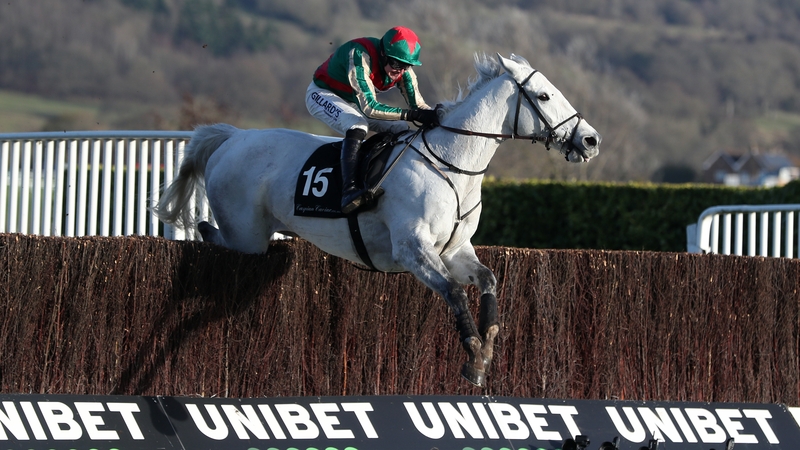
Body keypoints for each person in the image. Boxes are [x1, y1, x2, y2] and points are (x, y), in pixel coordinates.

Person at [306, 26, 439, 214]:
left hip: (354, 100)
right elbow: (369, 108)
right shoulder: (360, 55)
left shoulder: (404, 70)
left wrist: (439, 117)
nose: (400, 70)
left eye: (406, 66)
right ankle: (349, 191)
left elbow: (419, 107)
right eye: (395, 63)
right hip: (323, 94)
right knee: (357, 125)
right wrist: (412, 115)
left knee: (401, 127)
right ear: (383, 54)